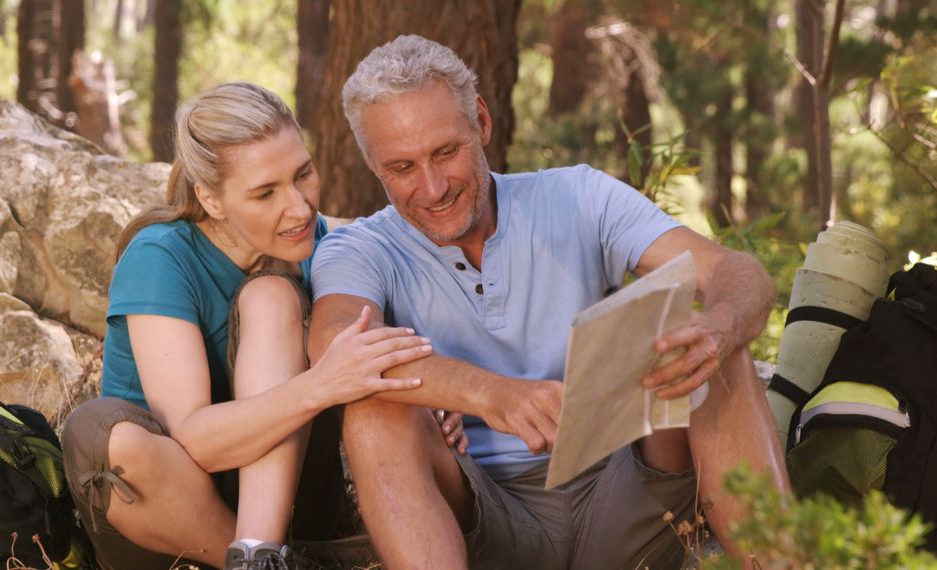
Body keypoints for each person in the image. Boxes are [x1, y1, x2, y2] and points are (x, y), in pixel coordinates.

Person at [307, 35, 790, 569]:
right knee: (374, 410)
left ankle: (780, 564)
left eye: (447, 152)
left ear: (482, 123)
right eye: (402, 168)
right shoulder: (359, 249)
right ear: (373, 165)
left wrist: (720, 326)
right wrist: (492, 394)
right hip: (485, 521)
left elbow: (735, 272)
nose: (433, 186)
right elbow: (334, 343)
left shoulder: (578, 196)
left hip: (627, 499)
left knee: (713, 348)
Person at [60, 82, 446, 570]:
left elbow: (379, 357)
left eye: (303, 174)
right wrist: (322, 384)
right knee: (102, 437)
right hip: (169, 516)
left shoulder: (321, 245)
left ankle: (260, 554)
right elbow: (197, 440)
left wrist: (428, 407)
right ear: (211, 199)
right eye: (265, 193)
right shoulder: (161, 255)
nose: (300, 208)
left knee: (271, 293)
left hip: (289, 511)